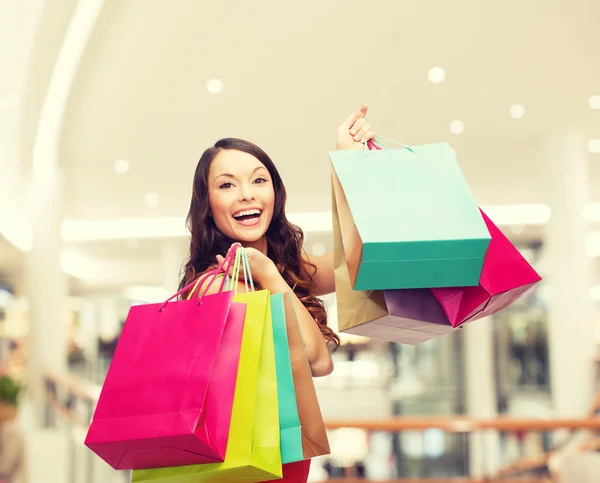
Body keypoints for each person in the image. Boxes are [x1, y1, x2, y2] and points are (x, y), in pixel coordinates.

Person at [179, 104, 376, 378]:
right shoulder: (219, 287)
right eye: (227, 185)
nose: (247, 194)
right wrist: (269, 274)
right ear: (207, 205)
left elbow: (363, 260)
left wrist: (351, 162)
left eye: (259, 180)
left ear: (276, 194)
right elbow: (317, 361)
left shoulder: (285, 267)